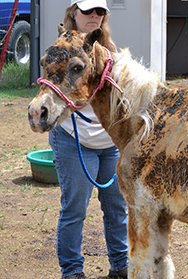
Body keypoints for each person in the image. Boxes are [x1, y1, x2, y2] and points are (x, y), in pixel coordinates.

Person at [49, 1, 128, 278]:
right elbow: (53, 93)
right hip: (73, 139)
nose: (94, 16)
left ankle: (121, 267)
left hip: (109, 144)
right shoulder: (61, 52)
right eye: (87, 11)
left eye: (100, 12)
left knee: (117, 208)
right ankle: (72, 271)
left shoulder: (111, 53)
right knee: (75, 209)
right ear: (73, 13)